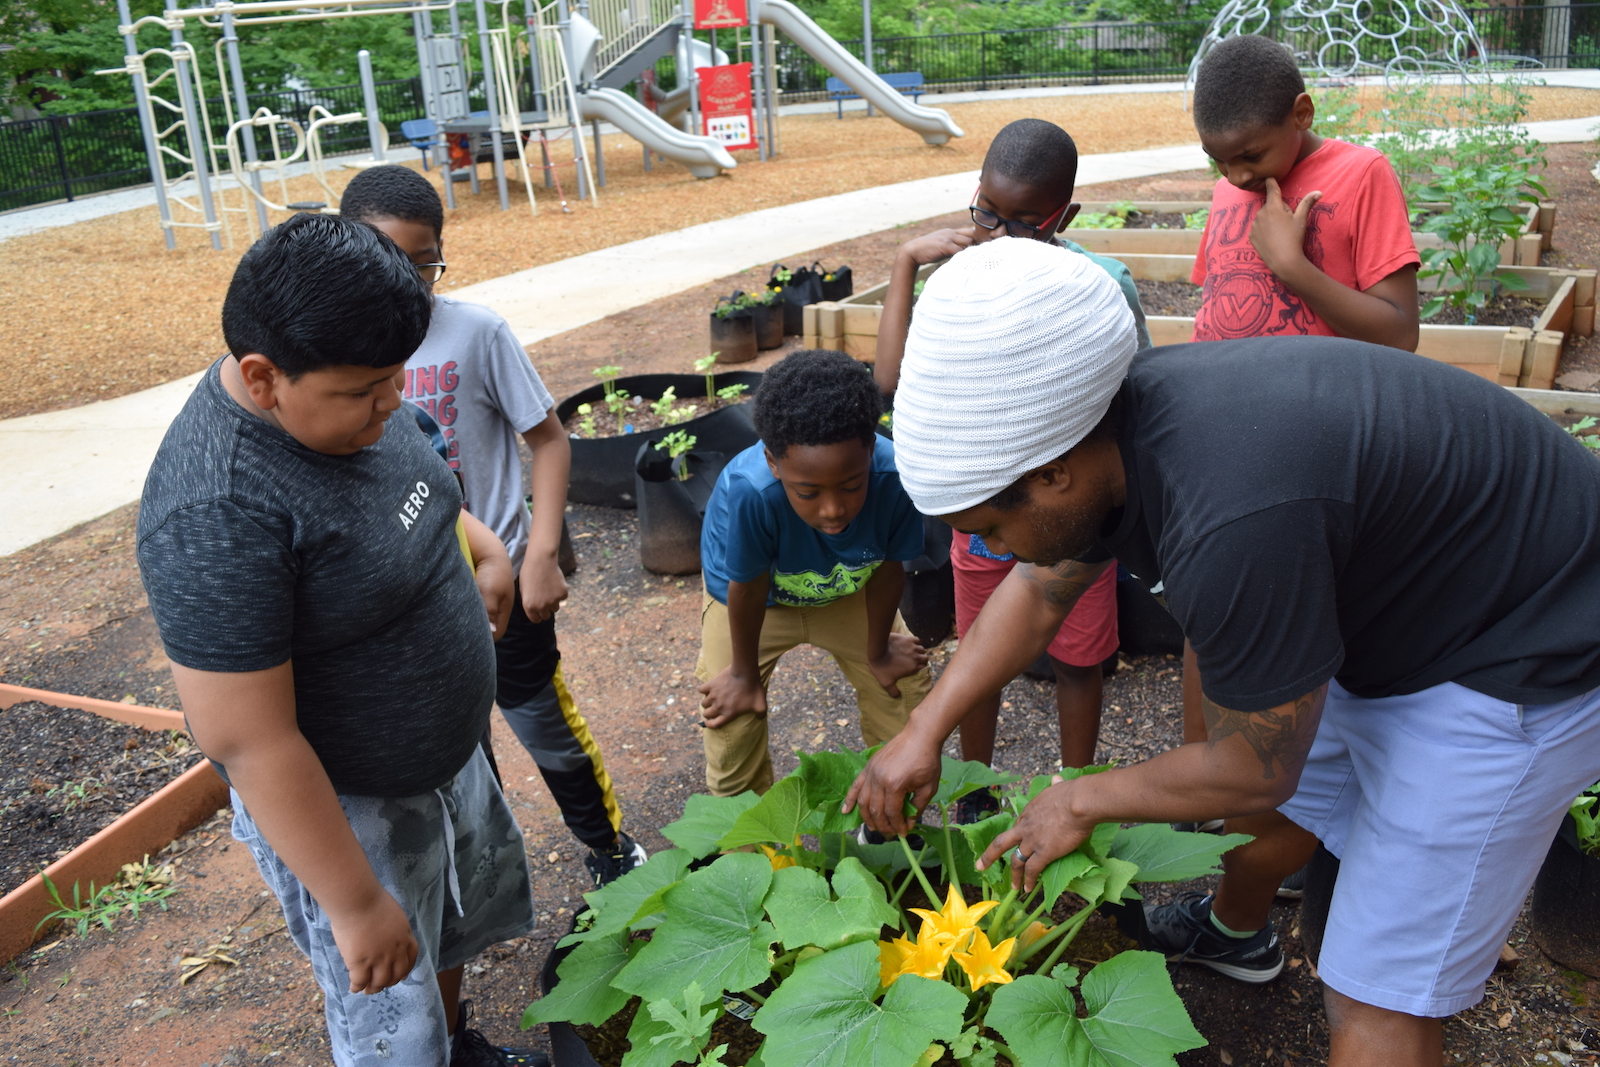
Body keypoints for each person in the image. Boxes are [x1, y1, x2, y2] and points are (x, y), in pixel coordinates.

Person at [843, 237, 1600, 1067]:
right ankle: (1242, 933)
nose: (995, 550)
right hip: (1427, 600)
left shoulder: (1230, 520)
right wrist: (926, 730)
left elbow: (1254, 762)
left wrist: (1080, 798)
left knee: (1377, 989)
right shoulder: (1120, 428)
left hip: (1524, 655)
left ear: (1053, 474)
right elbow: (1043, 588)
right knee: (1290, 809)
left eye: (991, 526)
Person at [137, 214, 546, 1066]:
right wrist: (355, 902)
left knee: (445, 937)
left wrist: (482, 543)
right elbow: (246, 737)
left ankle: (457, 1046)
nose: (392, 403)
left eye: (395, 379)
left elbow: (418, 483)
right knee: (390, 1017)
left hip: (444, 760)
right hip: (352, 812)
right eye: (367, 390)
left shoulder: (351, 388)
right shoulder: (216, 507)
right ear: (262, 378)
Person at [340, 165, 645, 888]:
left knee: (544, 723)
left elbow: (550, 439)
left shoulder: (475, 333)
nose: (409, 280)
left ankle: (610, 849)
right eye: (387, 258)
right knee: (453, 747)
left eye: (425, 263)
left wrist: (540, 550)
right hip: (409, 599)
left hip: (497, 580)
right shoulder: (334, 355)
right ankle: (484, 876)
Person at [871, 119, 1149, 815]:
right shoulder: (957, 284)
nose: (996, 233)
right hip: (983, 516)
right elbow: (892, 379)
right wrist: (908, 263)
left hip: (1068, 519)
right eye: (986, 213)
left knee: (1079, 655)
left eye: (1022, 222)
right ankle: (974, 789)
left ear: (1064, 217)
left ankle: (1074, 785)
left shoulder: (1099, 281)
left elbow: (1132, 391)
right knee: (980, 650)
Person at [696, 349, 932, 796]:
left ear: (869, 450)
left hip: (849, 589)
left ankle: (889, 828)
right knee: (732, 723)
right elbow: (745, 587)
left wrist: (879, 650)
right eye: (807, 492)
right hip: (756, 606)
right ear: (773, 462)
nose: (833, 509)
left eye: (851, 485)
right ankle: (753, 853)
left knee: (903, 693)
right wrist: (743, 676)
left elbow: (888, 571)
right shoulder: (752, 492)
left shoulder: (895, 474)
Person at [1189, 34, 1420, 349]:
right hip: (1219, 387)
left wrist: (1289, 265)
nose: (1236, 177)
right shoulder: (1225, 190)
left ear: (1301, 113)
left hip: (1317, 393)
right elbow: (1212, 305)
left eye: (1252, 156)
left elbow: (1401, 336)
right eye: (1218, 160)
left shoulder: (1362, 173)